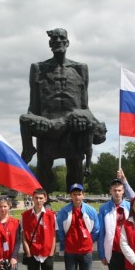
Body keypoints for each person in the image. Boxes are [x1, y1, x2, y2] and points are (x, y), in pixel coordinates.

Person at [19, 28, 106, 193]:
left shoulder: (80, 68)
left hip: (73, 129)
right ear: (50, 44)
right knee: (43, 168)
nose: (58, 41)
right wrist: (33, 121)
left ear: (67, 43)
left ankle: (75, 209)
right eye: (55, 39)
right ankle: (44, 208)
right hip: (48, 126)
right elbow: (34, 104)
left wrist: (94, 124)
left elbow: (84, 105)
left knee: (75, 170)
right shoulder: (38, 68)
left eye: (62, 38)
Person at [56, 183, 100, 270]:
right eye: (74, 194)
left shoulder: (91, 211)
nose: (77, 196)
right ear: (71, 196)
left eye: (79, 193)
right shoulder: (64, 211)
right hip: (70, 252)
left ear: (83, 194)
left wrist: (88, 242)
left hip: (86, 252)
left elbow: (96, 230)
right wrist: (66, 244)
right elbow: (60, 232)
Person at [98, 179, 132, 270]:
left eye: (119, 190)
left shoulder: (130, 207)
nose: (117, 193)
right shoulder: (104, 208)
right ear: (110, 191)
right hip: (113, 251)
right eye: (114, 190)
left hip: (128, 252)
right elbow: (101, 232)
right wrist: (102, 254)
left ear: (123, 190)